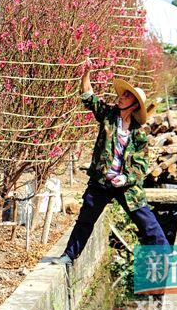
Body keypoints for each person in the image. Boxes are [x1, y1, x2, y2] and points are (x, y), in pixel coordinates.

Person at [52, 65, 169, 265]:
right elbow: (88, 96)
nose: (121, 97)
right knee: (85, 221)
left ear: (134, 104)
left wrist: (125, 178)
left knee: (148, 225)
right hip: (101, 181)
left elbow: (140, 167)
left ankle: (165, 256)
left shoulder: (139, 134)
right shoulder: (108, 116)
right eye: (122, 95)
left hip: (125, 186)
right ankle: (69, 256)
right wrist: (86, 73)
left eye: (126, 96)